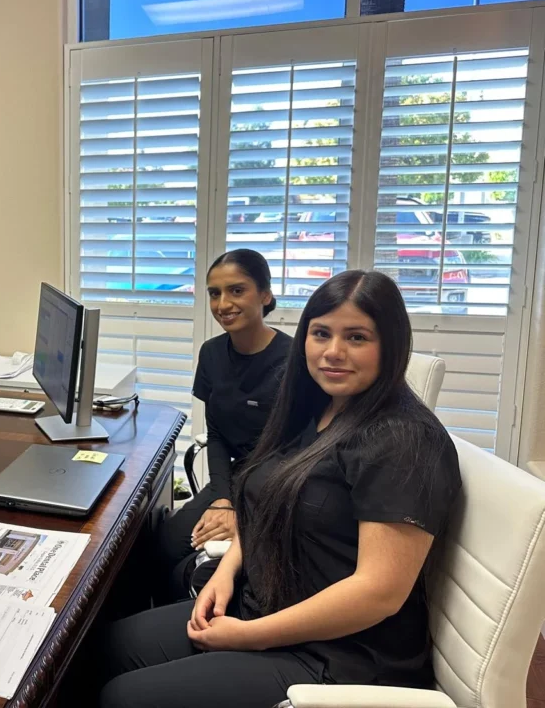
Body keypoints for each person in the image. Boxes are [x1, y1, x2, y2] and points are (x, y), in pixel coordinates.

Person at [100, 270, 461, 708]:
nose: (333, 352)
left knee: (122, 697)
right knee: (103, 648)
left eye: (357, 337)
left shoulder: (403, 441)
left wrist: (249, 636)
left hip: (339, 655)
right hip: (266, 602)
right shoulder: (315, 407)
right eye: (321, 333)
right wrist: (227, 571)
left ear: (392, 344)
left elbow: (378, 593)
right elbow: (267, 504)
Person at [153, 249, 291, 605]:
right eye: (215, 293)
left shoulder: (295, 362)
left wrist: (242, 515)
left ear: (265, 294)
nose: (223, 304)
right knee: (164, 545)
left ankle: (193, 622)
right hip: (234, 478)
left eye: (237, 290)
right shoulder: (212, 353)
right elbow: (216, 435)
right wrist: (223, 499)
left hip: (278, 488)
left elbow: (298, 453)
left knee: (187, 567)